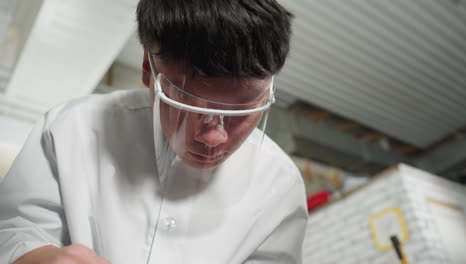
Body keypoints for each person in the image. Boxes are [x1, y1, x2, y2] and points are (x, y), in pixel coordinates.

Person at [0, 0, 308, 263]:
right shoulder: (71, 127)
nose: (214, 137)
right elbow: (14, 228)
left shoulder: (281, 186)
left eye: (242, 109)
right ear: (148, 68)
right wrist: (36, 255)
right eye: (188, 102)